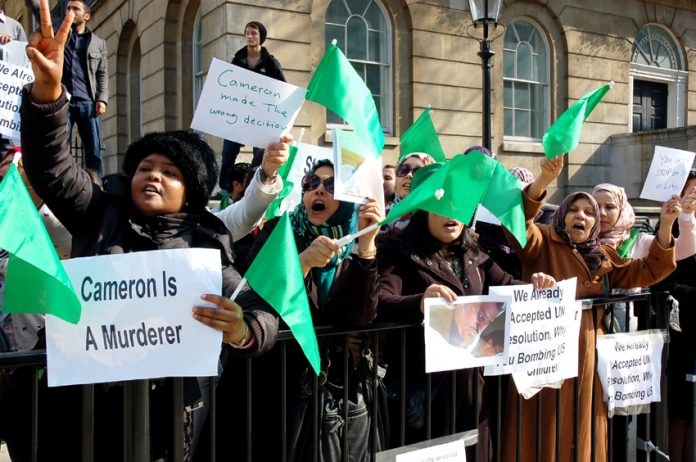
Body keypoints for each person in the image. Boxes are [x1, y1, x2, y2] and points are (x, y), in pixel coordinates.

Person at [20, 3, 279, 458]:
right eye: (144, 167)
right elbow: (52, 167)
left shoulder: (205, 243)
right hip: (87, 411)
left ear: (191, 191)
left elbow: (261, 312)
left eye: (168, 172)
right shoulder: (99, 211)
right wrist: (48, 94)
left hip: (167, 418)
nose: (153, 176)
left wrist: (243, 330)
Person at [196, 159, 383, 461]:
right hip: (267, 381)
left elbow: (357, 318)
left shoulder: (358, 246)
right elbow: (254, 291)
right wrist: (304, 261)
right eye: (311, 184)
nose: (318, 190)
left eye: (331, 185)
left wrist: (366, 246)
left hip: (319, 393)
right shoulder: (279, 230)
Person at [501, 156, 678, 462]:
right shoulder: (542, 240)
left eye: (588, 213)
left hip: (587, 356)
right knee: (541, 427)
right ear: (562, 216)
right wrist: (543, 181)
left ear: (597, 223)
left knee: (583, 428)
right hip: (543, 353)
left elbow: (649, 269)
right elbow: (519, 221)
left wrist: (667, 224)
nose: (580, 216)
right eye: (573, 209)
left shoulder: (604, 255)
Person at [378, 162, 556, 461]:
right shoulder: (398, 251)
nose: (451, 215)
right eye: (442, 206)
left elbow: (509, 287)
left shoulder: (476, 254)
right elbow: (381, 301)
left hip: (473, 395)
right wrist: (420, 301)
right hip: (426, 394)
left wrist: (536, 285)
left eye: (458, 206)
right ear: (423, 210)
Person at [215, 20, 286, 198]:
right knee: (229, 152)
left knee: (260, 155)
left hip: (260, 117)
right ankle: (225, 188)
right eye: (247, 33)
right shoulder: (237, 59)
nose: (250, 36)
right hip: (238, 115)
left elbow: (282, 89)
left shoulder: (270, 62)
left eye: (253, 33)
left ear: (261, 36)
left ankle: (256, 189)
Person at [654, 169, 696, 462]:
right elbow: (662, 280)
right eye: (689, 192)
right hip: (682, 329)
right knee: (681, 405)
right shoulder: (668, 228)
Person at [61, 0, 108, 178]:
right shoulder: (61, 37)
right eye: (68, 8)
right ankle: (65, 183)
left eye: (75, 9)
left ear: (86, 16)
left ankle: (96, 185)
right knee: (62, 147)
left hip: (88, 101)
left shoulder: (99, 43)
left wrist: (102, 99)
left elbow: (102, 73)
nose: (70, 12)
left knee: (93, 149)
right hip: (63, 100)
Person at [381, 153, 435, 236]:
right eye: (403, 170)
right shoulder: (381, 215)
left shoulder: (438, 217)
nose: (408, 175)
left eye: (418, 172)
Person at [0, 0, 27, 153]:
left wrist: (10, 46)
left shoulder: (14, 26)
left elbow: (25, 58)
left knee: (6, 148)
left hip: (5, 100)